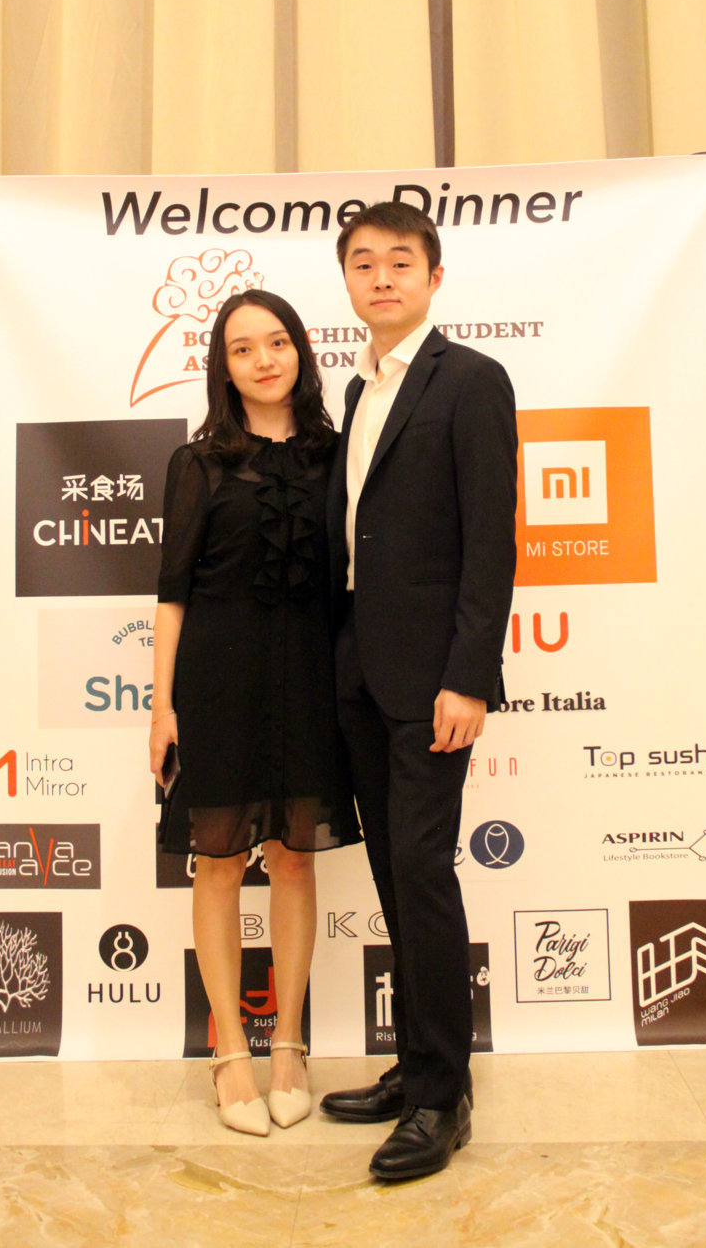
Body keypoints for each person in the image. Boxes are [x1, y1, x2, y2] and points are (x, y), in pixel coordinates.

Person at [320, 201, 518, 1181]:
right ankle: (416, 1064)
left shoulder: (470, 380)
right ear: (347, 283)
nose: (381, 277)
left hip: (433, 675)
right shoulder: (357, 388)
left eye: (400, 261)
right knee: (396, 876)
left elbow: (491, 538)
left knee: (424, 871)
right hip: (358, 666)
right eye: (363, 263)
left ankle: (444, 1097)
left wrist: (468, 676)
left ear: (434, 278)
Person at [150, 289, 361, 1137]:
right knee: (219, 864)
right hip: (218, 681)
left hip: (311, 677)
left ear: (301, 351)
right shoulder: (196, 463)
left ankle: (290, 1047)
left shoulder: (338, 455)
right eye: (243, 348)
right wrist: (161, 705)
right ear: (223, 367)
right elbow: (171, 593)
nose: (264, 359)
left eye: (277, 342)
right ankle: (231, 1050)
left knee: (296, 860)